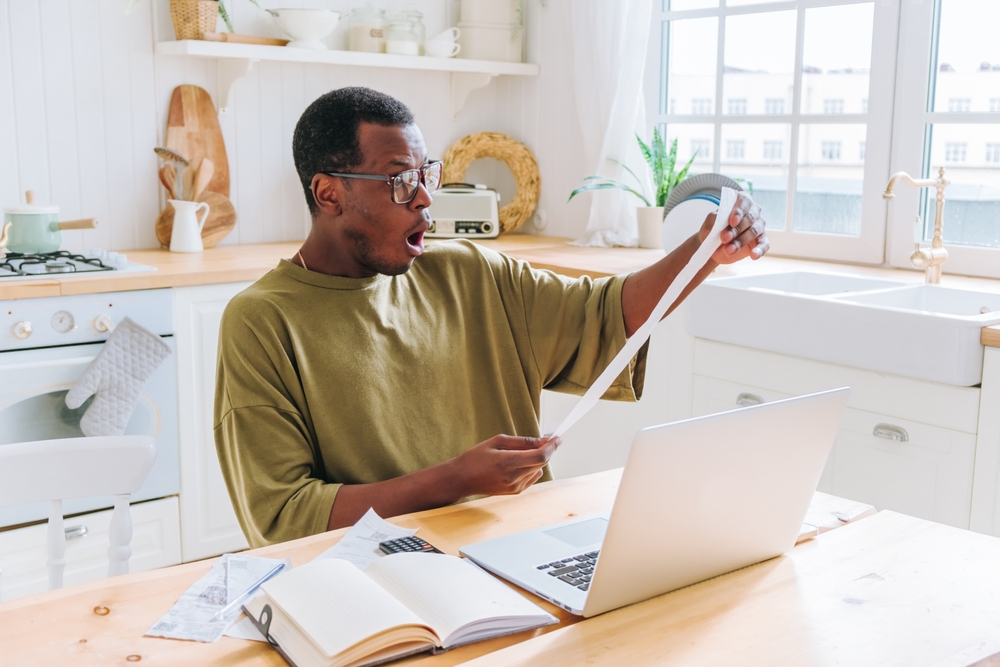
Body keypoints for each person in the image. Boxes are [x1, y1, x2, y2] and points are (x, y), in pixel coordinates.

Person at [215, 87, 768, 548]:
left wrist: (704, 252)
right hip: (382, 583)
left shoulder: (471, 273)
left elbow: (608, 315)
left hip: (524, 551)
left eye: (426, 174)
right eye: (400, 180)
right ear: (329, 194)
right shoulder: (261, 322)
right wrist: (456, 480)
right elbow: (285, 517)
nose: (426, 199)